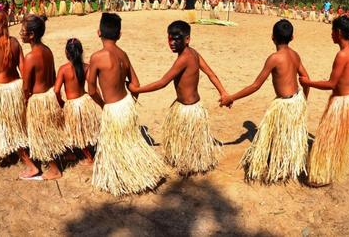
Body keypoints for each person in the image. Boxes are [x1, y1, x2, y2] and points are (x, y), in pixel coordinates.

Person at [129, 21, 228, 175]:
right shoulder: (193, 53)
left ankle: (189, 166)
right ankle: (187, 162)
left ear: (187, 39)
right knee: (185, 141)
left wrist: (137, 89)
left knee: (190, 142)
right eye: (170, 39)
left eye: (176, 39)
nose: (172, 43)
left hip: (189, 110)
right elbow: (211, 74)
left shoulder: (185, 58)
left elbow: (163, 82)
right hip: (187, 107)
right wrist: (223, 92)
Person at [220, 19, 310, 183]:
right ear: (292, 37)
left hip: (285, 104)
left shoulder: (274, 58)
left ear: (272, 37)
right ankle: (287, 165)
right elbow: (306, 77)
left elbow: (255, 85)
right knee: (286, 135)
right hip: (296, 100)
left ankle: (282, 168)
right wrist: (305, 99)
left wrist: (231, 97)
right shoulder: (295, 55)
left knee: (281, 135)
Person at [89, 13, 167, 196]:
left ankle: (127, 179)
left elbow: (91, 89)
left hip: (113, 108)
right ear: (119, 34)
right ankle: (141, 173)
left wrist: (104, 105)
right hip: (125, 105)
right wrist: (130, 103)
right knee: (128, 143)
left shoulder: (97, 57)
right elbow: (135, 85)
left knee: (118, 145)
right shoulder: (123, 54)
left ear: (98, 32)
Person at [299, 15, 349, 186]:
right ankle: (328, 172)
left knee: (327, 140)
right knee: (336, 140)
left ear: (338, 32)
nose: (331, 34)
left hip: (341, 103)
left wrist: (309, 83)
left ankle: (321, 176)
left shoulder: (342, 55)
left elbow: (331, 84)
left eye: (332, 31)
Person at [20, 15, 67, 180]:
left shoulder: (31, 57)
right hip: (49, 96)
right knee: (50, 131)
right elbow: (53, 75)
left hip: (39, 100)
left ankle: (54, 170)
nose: (20, 33)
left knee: (42, 135)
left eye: (23, 31)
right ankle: (59, 159)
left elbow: (26, 86)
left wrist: (26, 102)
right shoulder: (47, 50)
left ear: (31, 35)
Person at [0, 11, 31, 170]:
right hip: (16, 87)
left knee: (9, 125)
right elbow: (23, 70)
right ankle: (21, 150)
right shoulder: (15, 42)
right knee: (18, 122)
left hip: (3, 92)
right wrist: (26, 92)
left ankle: (26, 160)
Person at [54, 38, 101, 164]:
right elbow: (94, 87)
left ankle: (88, 157)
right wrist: (100, 102)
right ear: (81, 52)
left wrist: (61, 103)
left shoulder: (63, 69)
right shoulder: (86, 67)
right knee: (83, 129)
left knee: (78, 131)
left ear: (66, 53)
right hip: (84, 102)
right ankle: (77, 152)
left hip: (73, 104)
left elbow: (56, 90)